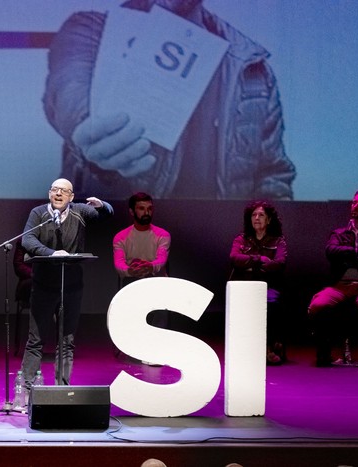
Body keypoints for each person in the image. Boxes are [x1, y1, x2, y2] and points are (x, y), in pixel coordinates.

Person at [43, 0, 296, 200]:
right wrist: (87, 129)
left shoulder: (251, 67)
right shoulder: (90, 32)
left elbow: (272, 175)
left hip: (220, 254)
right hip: (121, 248)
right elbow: (69, 91)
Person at [20, 178, 113, 386]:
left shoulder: (79, 211)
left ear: (71, 197)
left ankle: (62, 390)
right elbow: (27, 240)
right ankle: (27, 389)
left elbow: (107, 215)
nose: (59, 194)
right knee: (35, 341)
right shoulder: (38, 214)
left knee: (67, 342)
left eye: (64, 191)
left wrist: (103, 206)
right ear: (49, 193)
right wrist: (51, 253)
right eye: (55, 190)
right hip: (43, 285)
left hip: (71, 287)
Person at [308, 189, 358, 368]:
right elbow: (331, 251)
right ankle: (324, 356)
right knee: (318, 305)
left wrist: (347, 258)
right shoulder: (339, 233)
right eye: (353, 202)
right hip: (340, 285)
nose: (355, 206)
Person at [229, 200, 287, 365]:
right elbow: (234, 258)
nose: (257, 218)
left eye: (261, 215)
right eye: (254, 215)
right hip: (245, 287)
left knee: (271, 304)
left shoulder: (278, 241)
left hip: (268, 286)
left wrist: (249, 265)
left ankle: (267, 348)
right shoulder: (241, 239)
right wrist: (259, 259)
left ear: (268, 220)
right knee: (244, 304)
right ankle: (254, 350)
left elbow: (279, 263)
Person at [113, 192, 171, 338]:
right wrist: (131, 271)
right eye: (141, 208)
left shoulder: (162, 235)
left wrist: (149, 267)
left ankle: (156, 342)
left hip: (156, 282)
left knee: (162, 293)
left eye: (150, 208)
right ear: (132, 211)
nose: (147, 212)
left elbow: (161, 260)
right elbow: (119, 264)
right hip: (132, 281)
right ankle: (133, 341)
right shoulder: (121, 237)